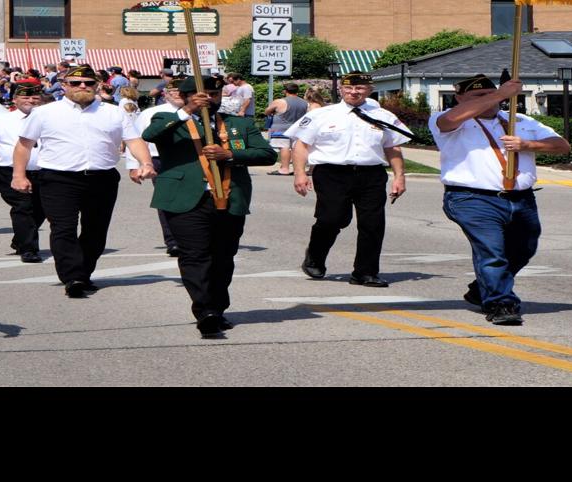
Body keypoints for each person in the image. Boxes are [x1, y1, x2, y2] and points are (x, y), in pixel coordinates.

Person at [430, 74, 570, 326]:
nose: (487, 101)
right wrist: (501, 93)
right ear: (459, 99)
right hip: (472, 198)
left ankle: (481, 288)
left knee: (524, 249)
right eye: (477, 97)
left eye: (489, 95)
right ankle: (501, 304)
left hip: (521, 198)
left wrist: (528, 144)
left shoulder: (519, 121)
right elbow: (448, 120)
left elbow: (561, 145)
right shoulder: (451, 121)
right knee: (491, 251)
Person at [143, 76, 276, 337]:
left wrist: (231, 155)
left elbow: (267, 154)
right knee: (195, 255)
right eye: (201, 95)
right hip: (186, 198)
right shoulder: (169, 120)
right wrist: (189, 111)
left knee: (223, 258)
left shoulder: (238, 123)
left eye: (214, 94)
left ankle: (218, 308)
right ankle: (205, 311)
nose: (209, 99)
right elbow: (150, 135)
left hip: (228, 198)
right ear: (185, 97)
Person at [12, 64, 157, 299]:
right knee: (63, 228)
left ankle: (84, 272)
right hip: (58, 178)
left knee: (96, 231)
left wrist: (146, 163)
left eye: (89, 83)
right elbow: (23, 145)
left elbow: (134, 140)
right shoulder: (45, 112)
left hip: (102, 178)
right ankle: (73, 277)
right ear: (64, 85)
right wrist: (19, 175)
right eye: (76, 83)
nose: (83, 87)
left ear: (97, 86)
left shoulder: (113, 112)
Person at [285, 72, 410, 287]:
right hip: (332, 173)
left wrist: (399, 176)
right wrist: (300, 173)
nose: (354, 92)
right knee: (333, 219)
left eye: (360, 88)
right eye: (349, 88)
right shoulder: (322, 115)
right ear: (341, 90)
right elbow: (301, 145)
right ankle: (315, 256)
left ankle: (365, 272)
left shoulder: (383, 115)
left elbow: (392, 147)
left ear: (369, 90)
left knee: (373, 224)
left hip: (371, 174)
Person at [0, 80, 47, 263]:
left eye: (35, 96)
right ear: (15, 99)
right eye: (25, 96)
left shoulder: (50, 119)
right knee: (23, 208)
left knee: (41, 210)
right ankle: (29, 249)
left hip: (44, 172)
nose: (31, 100)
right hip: (9, 172)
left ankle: (20, 239)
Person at [126, 79, 187, 257]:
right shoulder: (151, 113)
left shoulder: (199, 112)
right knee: (166, 199)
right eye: (173, 91)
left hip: (191, 159)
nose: (177, 94)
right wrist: (134, 166)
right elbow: (136, 140)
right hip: (160, 159)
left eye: (180, 91)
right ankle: (173, 240)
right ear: (165, 94)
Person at [261, 82, 307, 176]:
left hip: (281, 129)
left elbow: (267, 111)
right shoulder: (304, 102)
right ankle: (297, 169)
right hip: (297, 129)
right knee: (295, 148)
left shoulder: (280, 101)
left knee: (284, 147)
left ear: (285, 91)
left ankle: (284, 168)